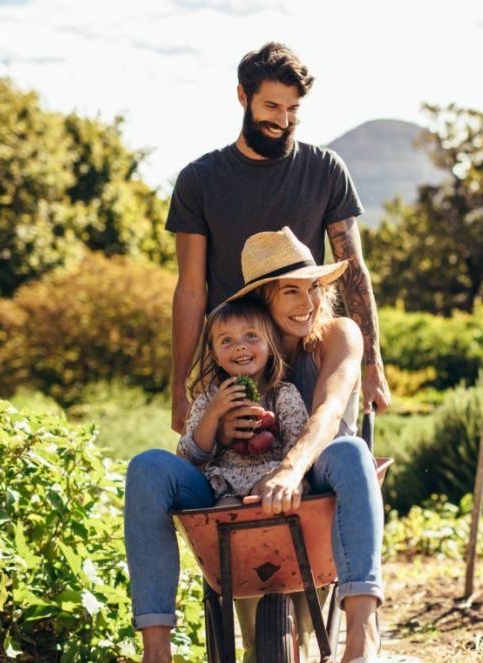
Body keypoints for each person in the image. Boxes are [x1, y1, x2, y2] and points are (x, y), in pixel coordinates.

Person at [126, 227, 385, 663]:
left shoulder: (337, 334)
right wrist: (221, 430)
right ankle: (156, 652)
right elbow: (193, 445)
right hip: (229, 486)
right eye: (291, 291)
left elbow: (328, 411)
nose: (309, 303)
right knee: (147, 467)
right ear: (264, 298)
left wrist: (290, 469)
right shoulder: (235, 355)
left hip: (317, 478)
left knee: (352, 450)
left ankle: (361, 640)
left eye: (314, 288)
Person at [166, 41, 390, 439]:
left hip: (309, 354)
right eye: (271, 106)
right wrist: (180, 385)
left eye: (293, 109)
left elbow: (354, 273)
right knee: (235, 483)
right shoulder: (199, 180)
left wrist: (372, 365)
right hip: (235, 359)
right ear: (242, 96)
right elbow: (190, 291)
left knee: (328, 462)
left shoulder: (325, 170)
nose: (283, 120)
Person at [176, 297, 308, 504]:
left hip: (271, 477)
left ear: (270, 346)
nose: (240, 346)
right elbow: (191, 455)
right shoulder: (210, 398)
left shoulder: (283, 394)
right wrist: (213, 413)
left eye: (251, 335)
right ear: (215, 356)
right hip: (225, 485)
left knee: (265, 492)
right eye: (227, 340)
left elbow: (297, 443)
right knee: (224, 513)